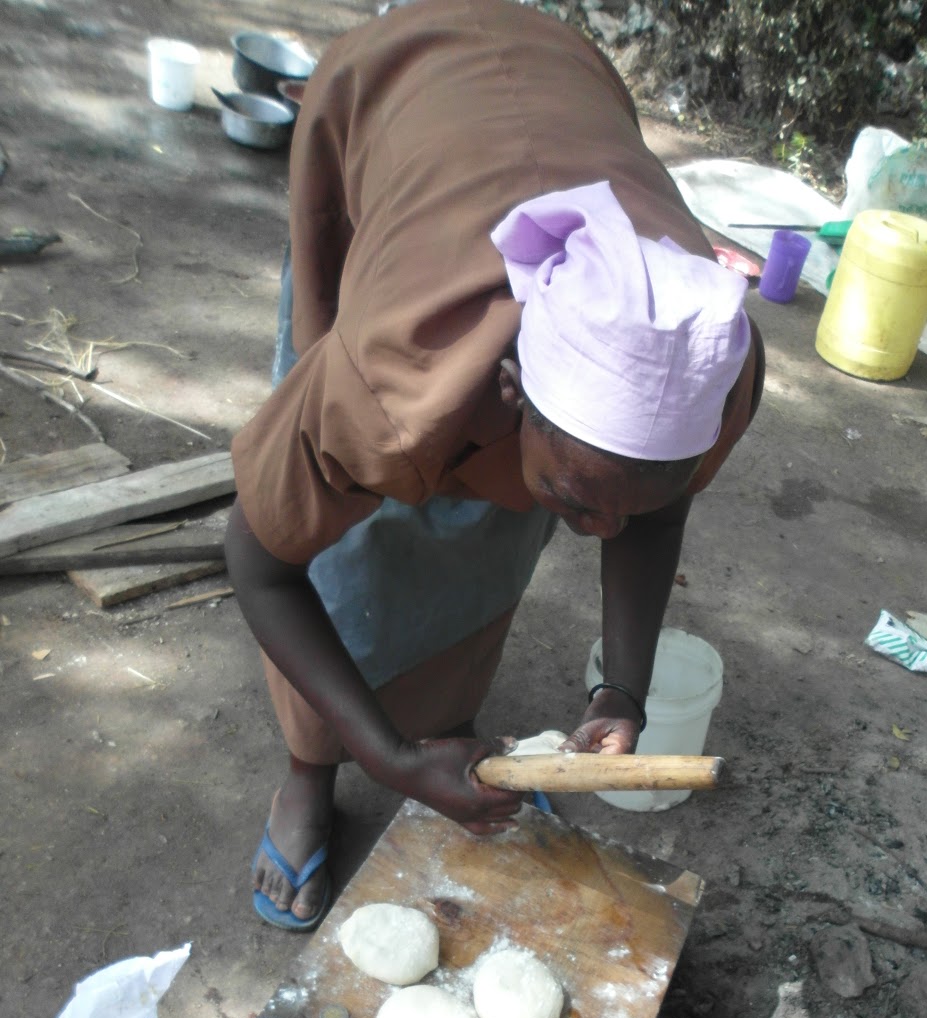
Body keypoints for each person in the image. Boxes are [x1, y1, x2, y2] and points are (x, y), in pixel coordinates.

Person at [225, 0, 766, 930]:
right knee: (348, 551)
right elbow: (261, 559)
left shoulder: (714, 368)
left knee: (494, 543)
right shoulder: (386, 382)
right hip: (392, 95)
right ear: (512, 389)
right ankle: (309, 771)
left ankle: (441, 727)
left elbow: (650, 510)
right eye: (572, 498)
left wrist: (621, 688)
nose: (593, 535)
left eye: (619, 509)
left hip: (562, 81)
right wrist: (383, 759)